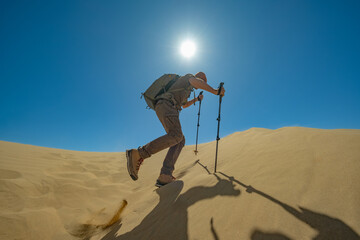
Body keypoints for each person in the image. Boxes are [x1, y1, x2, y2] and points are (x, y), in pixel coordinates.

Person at [126, 72, 225, 186]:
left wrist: (197, 99)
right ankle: (139, 154)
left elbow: (184, 105)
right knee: (176, 135)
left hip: (166, 107)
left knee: (180, 140)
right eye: (203, 81)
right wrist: (215, 91)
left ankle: (165, 175)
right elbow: (195, 81)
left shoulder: (185, 89)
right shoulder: (189, 78)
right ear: (199, 78)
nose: (202, 84)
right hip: (167, 106)